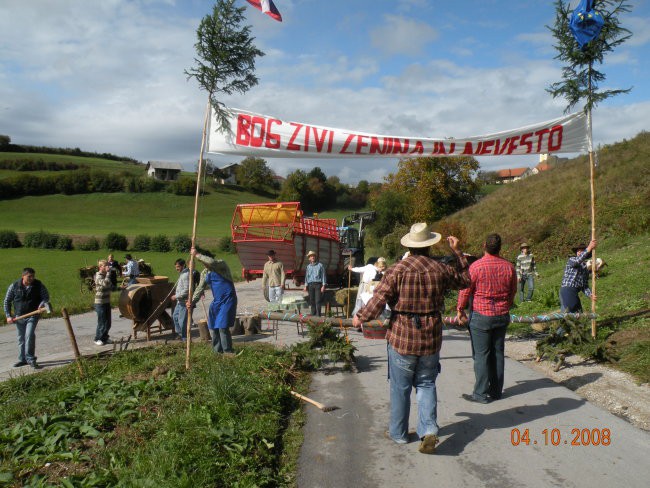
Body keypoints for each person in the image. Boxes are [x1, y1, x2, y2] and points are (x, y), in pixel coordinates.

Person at [353, 223, 470, 454]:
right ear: (429, 245)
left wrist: (360, 317)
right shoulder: (440, 269)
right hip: (431, 336)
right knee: (426, 383)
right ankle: (428, 430)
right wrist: (458, 252)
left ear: (410, 245)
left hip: (402, 336)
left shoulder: (397, 269)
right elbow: (466, 280)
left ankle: (398, 434)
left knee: (400, 387)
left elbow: (379, 299)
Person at [457, 234, 517, 404]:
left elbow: (466, 290)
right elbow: (513, 291)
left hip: (481, 315)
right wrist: (506, 305)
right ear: (500, 247)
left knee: (481, 355)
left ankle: (480, 393)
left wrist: (460, 309)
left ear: (484, 245)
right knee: (498, 353)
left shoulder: (476, 267)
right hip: (501, 315)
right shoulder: (509, 267)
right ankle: (496, 390)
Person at [189, 248, 237, 354]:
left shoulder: (221, 265)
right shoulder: (205, 273)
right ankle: (217, 351)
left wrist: (197, 254)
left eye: (203, 260)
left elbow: (211, 262)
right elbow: (200, 288)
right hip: (217, 301)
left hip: (228, 300)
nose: (204, 263)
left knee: (222, 326)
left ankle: (228, 351)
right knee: (214, 326)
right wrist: (192, 301)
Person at [4, 267, 50, 369]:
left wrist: (42, 304)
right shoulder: (14, 286)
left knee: (29, 335)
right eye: (29, 276)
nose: (32, 278)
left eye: (33, 276)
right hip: (19, 316)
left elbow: (46, 297)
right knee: (21, 338)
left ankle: (31, 359)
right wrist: (8, 316)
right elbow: (7, 301)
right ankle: (22, 360)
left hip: (33, 315)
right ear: (23, 276)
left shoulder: (38, 285)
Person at [559, 240, 597, 312]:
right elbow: (577, 261)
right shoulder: (572, 260)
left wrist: (590, 295)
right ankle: (563, 322)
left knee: (579, 312)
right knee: (569, 312)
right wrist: (589, 247)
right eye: (578, 251)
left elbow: (584, 286)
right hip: (567, 290)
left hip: (575, 292)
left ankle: (577, 323)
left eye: (582, 251)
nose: (579, 252)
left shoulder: (585, 268)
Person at [171, 258, 199, 341]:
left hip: (184, 301)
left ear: (183, 266)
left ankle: (185, 338)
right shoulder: (183, 274)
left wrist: (176, 296)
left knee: (182, 320)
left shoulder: (186, 275)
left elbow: (187, 290)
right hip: (180, 301)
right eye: (176, 267)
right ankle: (180, 334)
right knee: (175, 317)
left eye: (178, 267)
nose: (177, 268)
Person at [93, 260, 113, 346]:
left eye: (108, 265)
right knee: (102, 322)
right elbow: (105, 283)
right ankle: (98, 338)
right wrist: (108, 274)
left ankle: (105, 338)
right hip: (100, 302)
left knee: (108, 322)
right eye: (106, 266)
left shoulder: (105, 275)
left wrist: (122, 288)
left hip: (106, 301)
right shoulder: (98, 275)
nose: (108, 267)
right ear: (101, 267)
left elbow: (110, 286)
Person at [304, 250, 326, 316]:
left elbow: (323, 276)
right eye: (311, 256)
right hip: (310, 285)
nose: (312, 257)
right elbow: (307, 277)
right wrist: (305, 285)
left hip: (318, 285)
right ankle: (313, 315)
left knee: (318, 301)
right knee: (312, 301)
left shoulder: (320, 265)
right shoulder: (308, 267)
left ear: (315, 257)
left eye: (313, 256)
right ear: (309, 258)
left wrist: (323, 285)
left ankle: (318, 315)